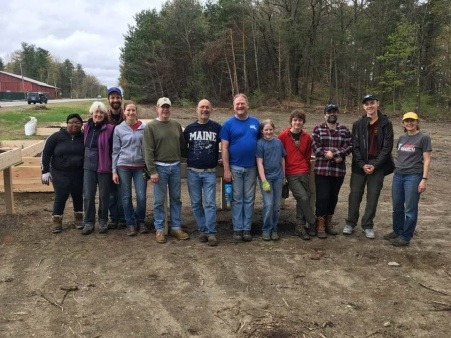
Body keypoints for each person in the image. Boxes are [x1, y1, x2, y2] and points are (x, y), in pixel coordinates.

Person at [343, 94, 395, 238]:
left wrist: (375, 165)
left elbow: (387, 147)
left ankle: (367, 225)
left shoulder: (386, 124)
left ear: (377, 104)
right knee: (354, 195)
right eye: (366, 104)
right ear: (363, 107)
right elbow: (355, 146)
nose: (369, 106)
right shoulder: (358, 124)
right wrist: (362, 164)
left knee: (373, 196)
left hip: (378, 166)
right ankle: (350, 223)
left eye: (372, 103)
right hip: (359, 166)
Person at [143, 97, 189, 244]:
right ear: (157, 108)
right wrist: (152, 171)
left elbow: (183, 148)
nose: (165, 110)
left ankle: (176, 226)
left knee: (176, 199)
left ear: (171, 108)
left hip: (175, 167)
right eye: (162, 107)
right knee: (159, 201)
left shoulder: (176, 125)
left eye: (167, 107)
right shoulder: (150, 127)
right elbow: (148, 151)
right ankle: (160, 228)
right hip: (159, 168)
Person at [384, 112, 432, 247]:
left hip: (413, 176)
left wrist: (424, 179)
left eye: (412, 121)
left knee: (410, 208)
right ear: (403, 123)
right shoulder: (402, 138)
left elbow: (427, 160)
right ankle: (397, 231)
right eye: (406, 121)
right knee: (397, 206)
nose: (409, 123)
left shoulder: (423, 138)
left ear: (417, 122)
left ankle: (405, 237)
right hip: (398, 175)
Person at [220, 93, 260, 242]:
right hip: (235, 167)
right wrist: (226, 169)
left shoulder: (256, 123)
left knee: (249, 199)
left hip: (252, 167)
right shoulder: (228, 124)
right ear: (233, 107)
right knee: (237, 199)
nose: (240, 106)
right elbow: (224, 148)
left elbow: (262, 143)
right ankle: (237, 229)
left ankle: (246, 229)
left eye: (242, 103)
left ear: (247, 105)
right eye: (237, 104)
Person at [184, 99, 222, 246]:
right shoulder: (189, 129)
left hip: (210, 172)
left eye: (207, 107)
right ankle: (202, 229)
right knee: (196, 203)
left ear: (211, 110)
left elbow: (224, 145)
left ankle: (211, 233)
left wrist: (221, 158)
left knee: (210, 203)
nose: (204, 110)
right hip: (193, 172)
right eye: (202, 107)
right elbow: (183, 148)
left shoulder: (217, 128)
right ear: (197, 109)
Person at [312, 104, 352, 238]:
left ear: (337, 114)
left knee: (333, 197)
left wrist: (333, 153)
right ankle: (320, 224)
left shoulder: (344, 130)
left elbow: (349, 146)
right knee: (322, 197)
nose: (332, 114)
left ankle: (328, 222)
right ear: (325, 114)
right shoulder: (318, 129)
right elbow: (316, 147)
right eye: (329, 112)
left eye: (334, 112)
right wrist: (329, 155)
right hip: (322, 170)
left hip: (338, 171)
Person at [41, 113, 84, 233]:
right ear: (67, 124)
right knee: (61, 196)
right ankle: (57, 220)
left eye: (77, 122)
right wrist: (45, 171)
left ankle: (79, 218)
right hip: (60, 173)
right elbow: (46, 153)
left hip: (79, 173)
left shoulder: (84, 137)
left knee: (78, 195)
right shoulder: (56, 137)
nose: (74, 125)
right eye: (71, 122)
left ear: (81, 125)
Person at [279, 110, 316, 240]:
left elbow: (307, 154)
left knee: (305, 197)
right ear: (291, 122)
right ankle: (312, 221)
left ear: (303, 122)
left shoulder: (307, 137)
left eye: (300, 120)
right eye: (295, 120)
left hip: (303, 171)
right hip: (290, 172)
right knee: (303, 197)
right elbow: (280, 155)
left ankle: (299, 226)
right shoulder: (283, 136)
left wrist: (305, 168)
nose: (297, 122)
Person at [112, 101, 147, 237]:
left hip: (139, 167)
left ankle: (141, 221)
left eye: (133, 110)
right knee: (126, 197)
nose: (131, 113)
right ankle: (131, 224)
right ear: (124, 112)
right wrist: (114, 170)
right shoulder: (119, 129)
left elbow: (147, 148)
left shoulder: (144, 128)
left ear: (136, 112)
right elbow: (115, 151)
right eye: (128, 110)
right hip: (123, 166)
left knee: (141, 197)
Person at [81, 101, 115, 235]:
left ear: (105, 114)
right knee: (88, 195)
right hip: (88, 166)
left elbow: (113, 150)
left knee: (104, 195)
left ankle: (103, 220)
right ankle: (89, 222)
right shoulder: (86, 127)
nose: (99, 114)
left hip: (103, 165)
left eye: (101, 112)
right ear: (92, 113)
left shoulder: (110, 129)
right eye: (96, 112)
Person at [256, 119, 286, 241]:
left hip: (278, 177)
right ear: (262, 131)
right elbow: (259, 163)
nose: (268, 132)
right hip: (267, 178)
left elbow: (282, 160)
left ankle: (274, 228)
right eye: (266, 130)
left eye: (270, 129)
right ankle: (266, 229)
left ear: (273, 130)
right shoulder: (260, 144)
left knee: (276, 205)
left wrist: (284, 176)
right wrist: (263, 181)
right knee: (268, 204)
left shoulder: (278, 142)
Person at [106, 86, 126, 230]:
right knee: (111, 192)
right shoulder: (104, 117)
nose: (115, 100)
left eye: (117, 97)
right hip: (107, 159)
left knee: (124, 191)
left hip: (124, 159)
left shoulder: (126, 117)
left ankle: (124, 217)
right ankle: (113, 217)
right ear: (108, 100)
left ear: (121, 99)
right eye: (112, 98)